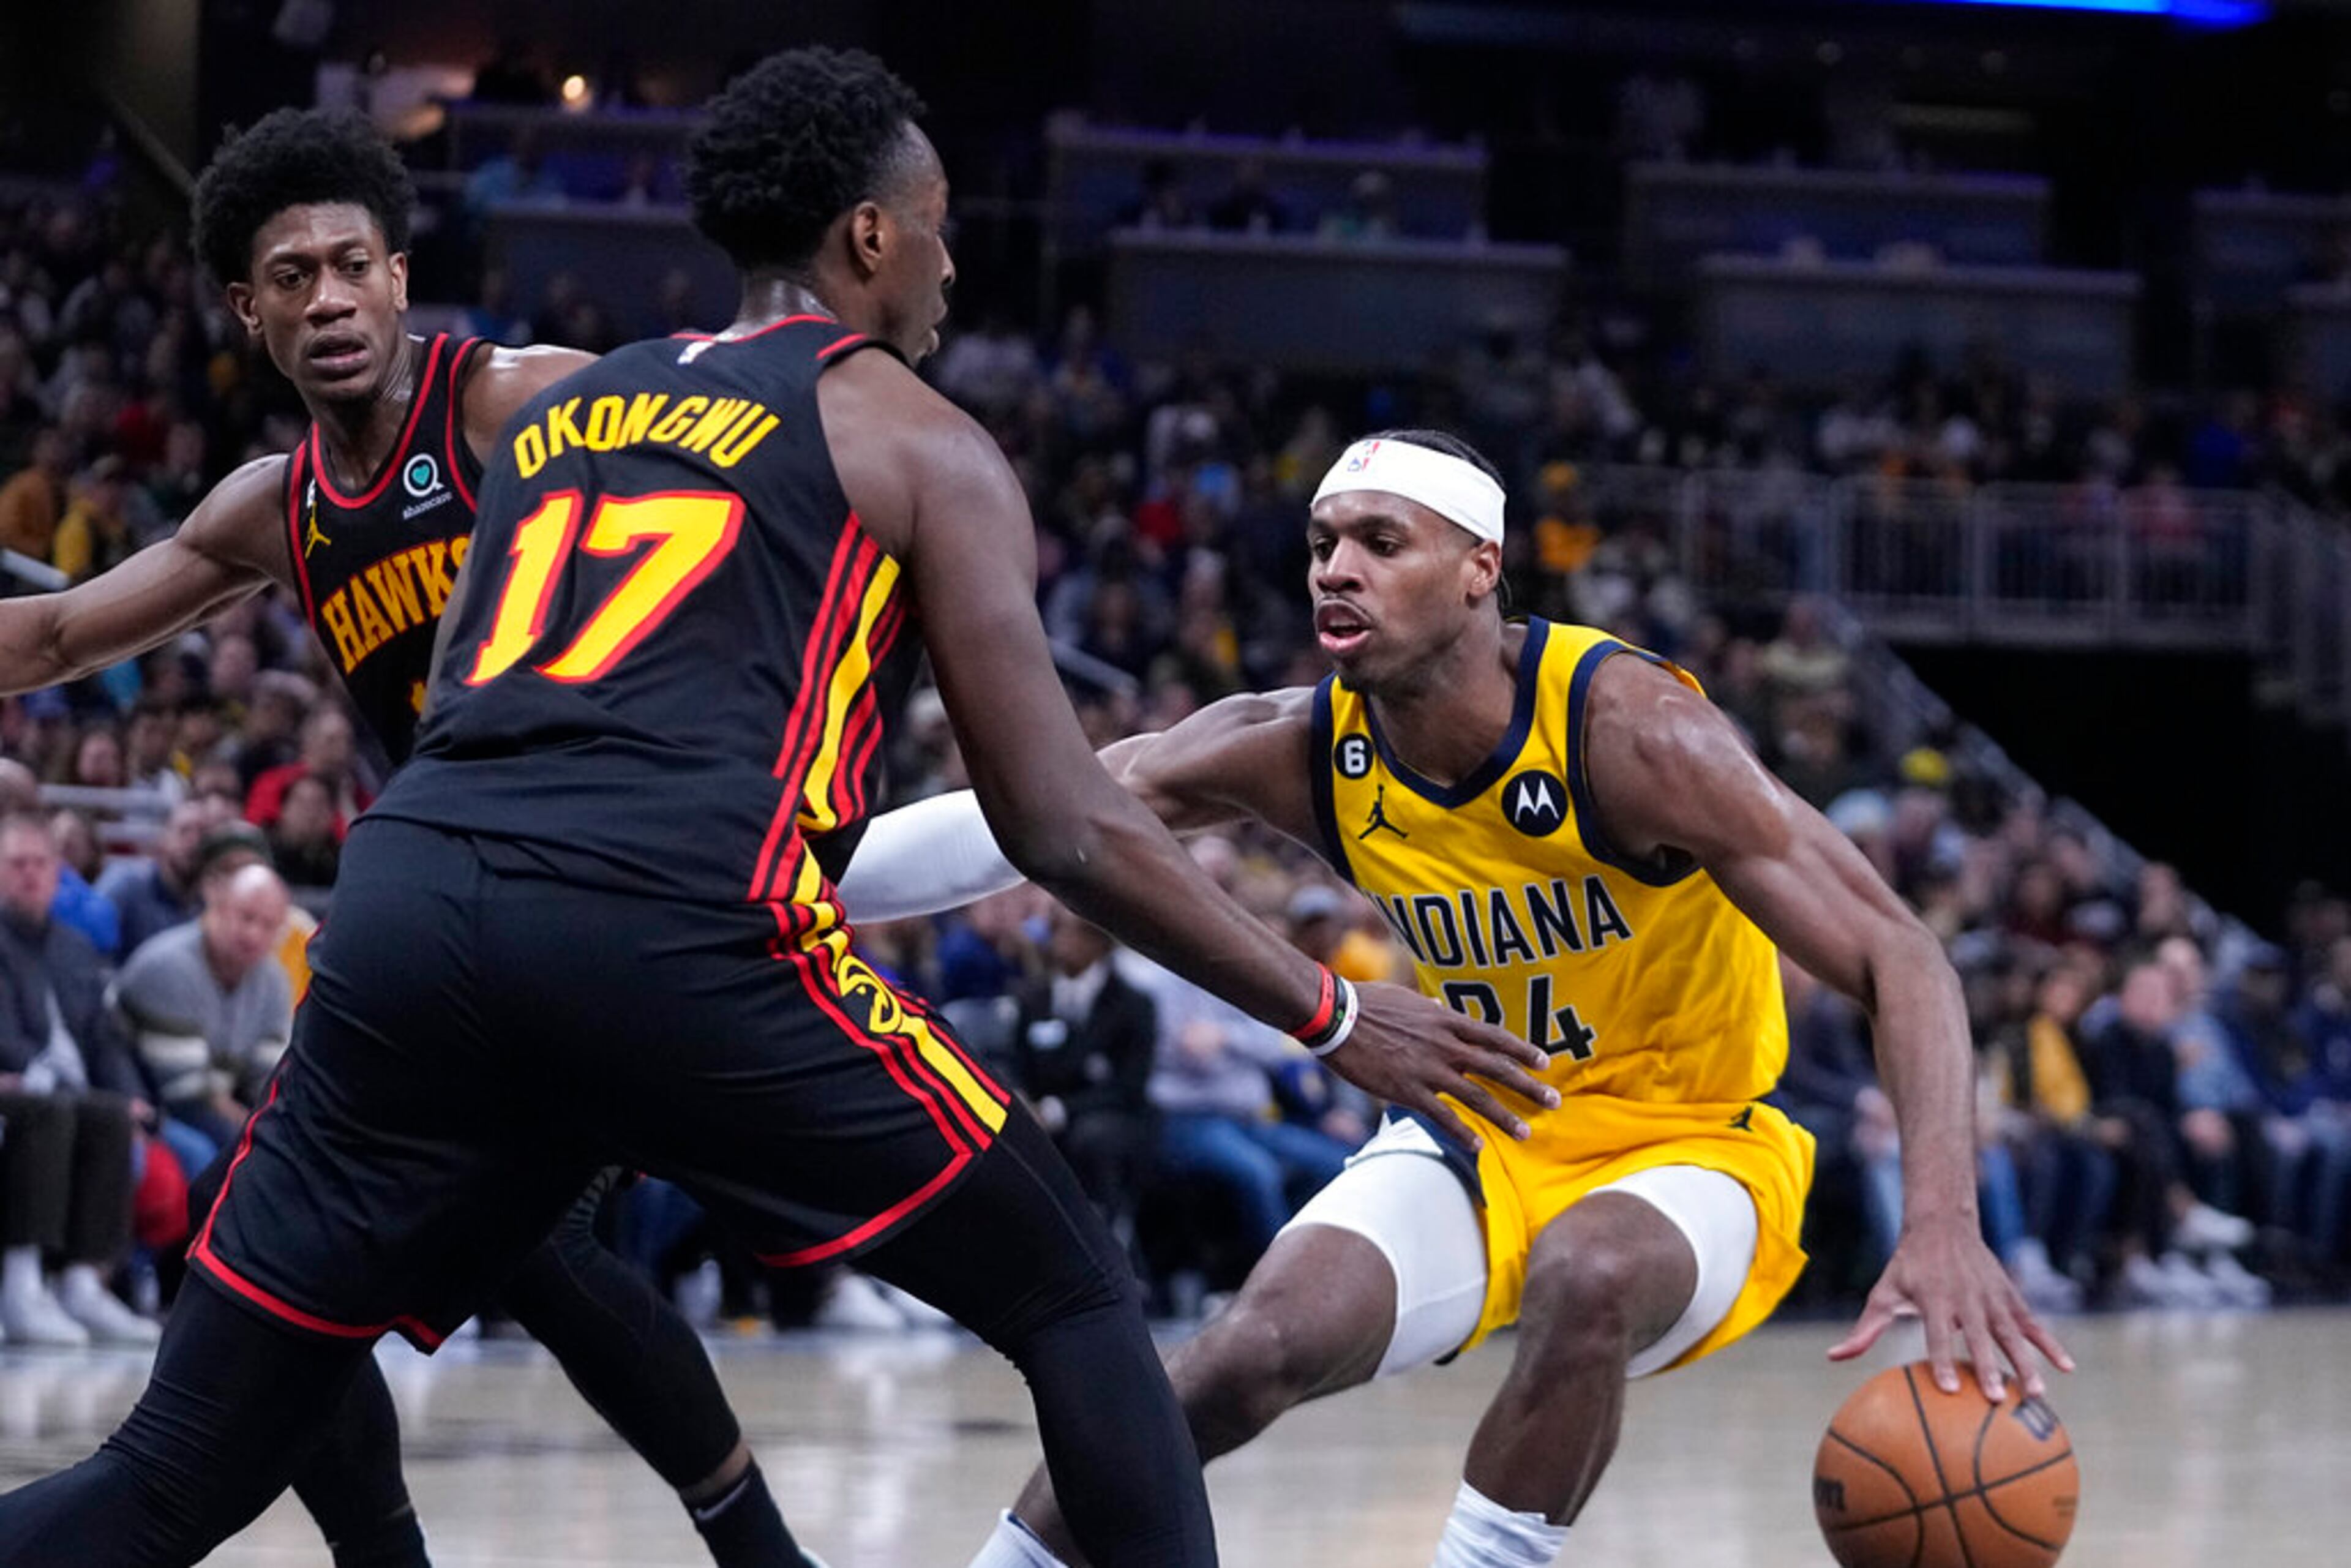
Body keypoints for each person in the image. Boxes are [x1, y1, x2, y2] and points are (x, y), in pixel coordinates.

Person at [0, 51, 1545, 1568]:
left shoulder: (555, 415)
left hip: (413, 916)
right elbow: (1057, 822)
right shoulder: (916, 437)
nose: (949, 259)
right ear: (873, 233)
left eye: (354, 266)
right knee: (1071, 1290)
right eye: (937, 221)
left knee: (175, 1466)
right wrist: (1334, 1014)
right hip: (669, 914)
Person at [830, 427, 2075, 1568]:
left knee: (1588, 1271)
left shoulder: (1632, 730)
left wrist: (1944, 1219)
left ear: (1481, 568)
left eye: (1382, 541)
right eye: (1323, 542)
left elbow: (1902, 953)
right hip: (1485, 1119)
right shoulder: (1305, 742)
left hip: (1693, 1140)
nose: (1337, 569)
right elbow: (1043, 809)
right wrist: (795, 870)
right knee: (1247, 1350)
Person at [0, 107, 799, 1567]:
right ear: (247, 308)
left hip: (604, 898)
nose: (324, 296)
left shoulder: (516, 405)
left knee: (481, 1254)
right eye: (288, 274)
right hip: (455, 930)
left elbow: (772, 470)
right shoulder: (276, 502)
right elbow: (52, 631)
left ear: (398, 275)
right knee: (345, 1265)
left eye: (348, 263)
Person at [0, 812, 159, 1348]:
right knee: (53, 1108)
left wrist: (130, 1095)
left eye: (40, 864)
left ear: (57, 873)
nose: (29, 874)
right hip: (18, 1084)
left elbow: (104, 1037)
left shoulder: (74, 945)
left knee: (110, 1114)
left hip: (62, 1088)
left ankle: (82, 1281)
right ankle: (22, 1283)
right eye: (16, 864)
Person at [112, 861, 295, 1153]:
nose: (254, 934)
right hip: (145, 1107)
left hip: (212, 1109)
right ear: (218, 909)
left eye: (268, 924)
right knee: (211, 1154)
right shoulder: (168, 966)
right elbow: (188, 1095)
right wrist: (261, 1139)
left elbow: (269, 1082)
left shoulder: (274, 980)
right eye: (246, 917)